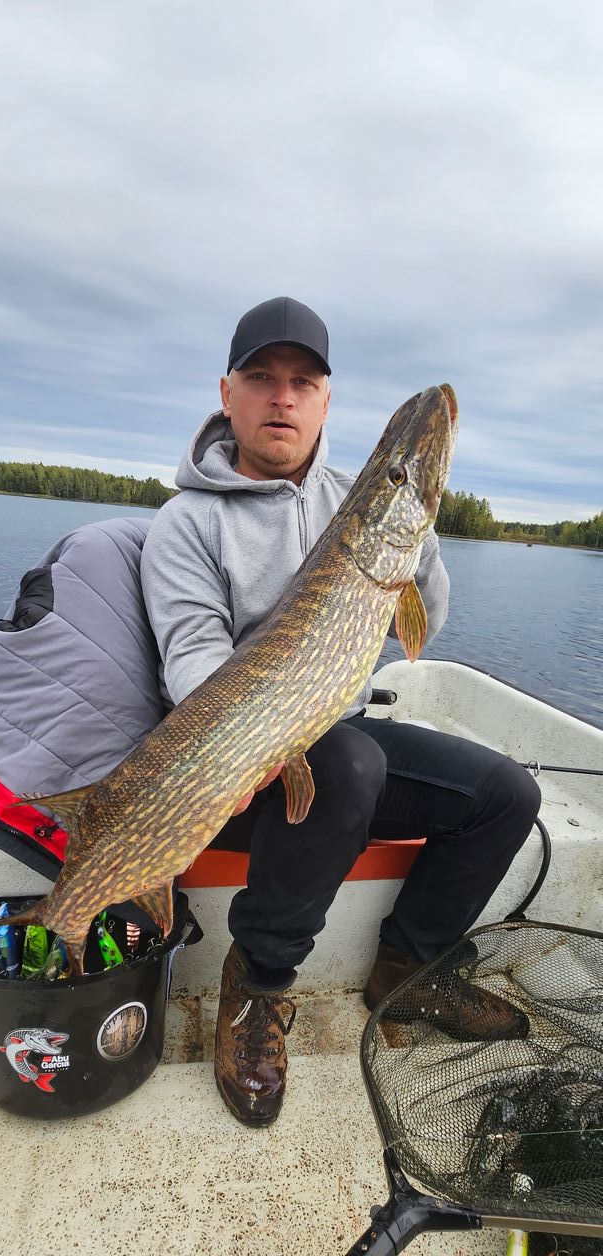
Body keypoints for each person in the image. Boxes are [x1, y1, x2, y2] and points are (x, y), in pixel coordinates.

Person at [141, 296, 541, 1129]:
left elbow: (422, 622)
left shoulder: (352, 502)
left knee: (506, 794)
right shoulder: (187, 523)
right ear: (227, 393)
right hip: (230, 765)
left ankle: (408, 973)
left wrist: (415, 529)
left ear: (325, 402)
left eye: (303, 383)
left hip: (334, 730)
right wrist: (268, 732)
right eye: (262, 377)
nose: (282, 397)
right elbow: (192, 669)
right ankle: (256, 990)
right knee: (351, 763)